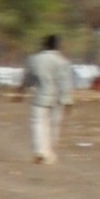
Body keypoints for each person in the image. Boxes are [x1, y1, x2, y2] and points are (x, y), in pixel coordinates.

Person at [26, 31, 82, 164]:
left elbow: (28, 79)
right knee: (54, 125)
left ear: (44, 45)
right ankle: (49, 152)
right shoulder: (63, 62)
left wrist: (20, 92)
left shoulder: (34, 59)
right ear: (58, 46)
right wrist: (68, 101)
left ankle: (40, 151)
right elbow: (66, 83)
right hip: (57, 98)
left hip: (40, 97)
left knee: (38, 124)